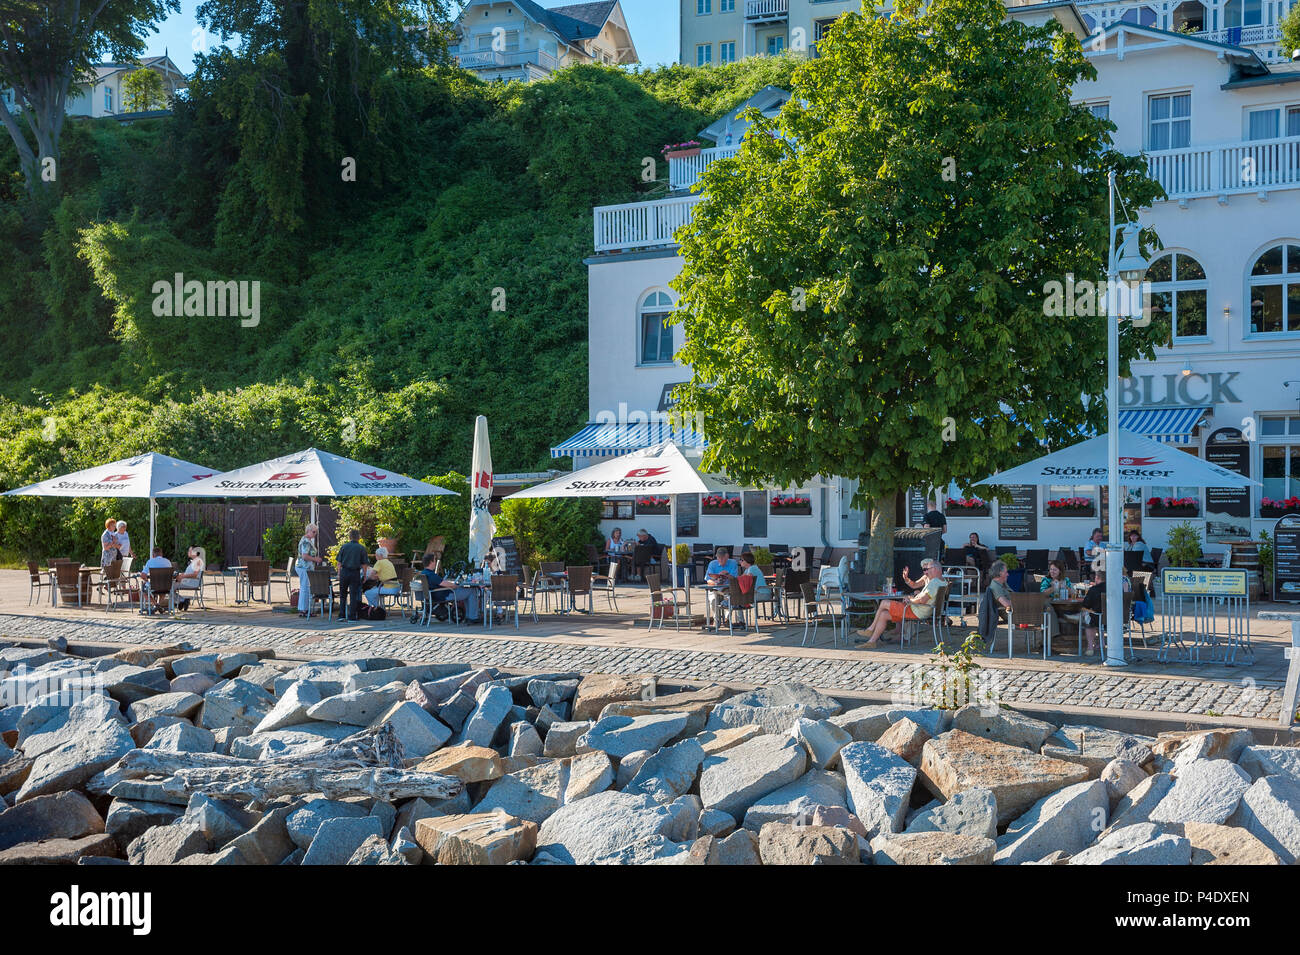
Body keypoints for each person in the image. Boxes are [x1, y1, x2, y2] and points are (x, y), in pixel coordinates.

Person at [855, 558, 945, 648]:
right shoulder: (942, 581)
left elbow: (922, 600)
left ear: (935, 569)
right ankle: (872, 642)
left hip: (916, 610)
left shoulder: (934, 582)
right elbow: (921, 594)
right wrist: (913, 593)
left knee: (884, 602)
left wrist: (910, 600)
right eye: (924, 569)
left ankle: (870, 629)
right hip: (922, 609)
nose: (925, 572)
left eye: (927, 569)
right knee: (883, 614)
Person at [419, 555, 481, 622]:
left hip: (436, 595)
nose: (435, 562)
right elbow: (444, 583)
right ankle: (472, 617)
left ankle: (468, 616)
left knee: (466, 591)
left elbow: (441, 583)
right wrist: (455, 585)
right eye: (434, 560)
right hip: (445, 595)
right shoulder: (431, 574)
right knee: (472, 590)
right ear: (431, 562)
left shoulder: (424, 573)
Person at [336, 529, 369, 620]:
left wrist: (339, 574)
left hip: (344, 572)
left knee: (343, 594)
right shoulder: (361, 548)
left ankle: (341, 615)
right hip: (355, 573)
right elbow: (364, 564)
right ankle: (352, 616)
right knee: (353, 595)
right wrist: (365, 575)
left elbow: (339, 563)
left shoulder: (344, 546)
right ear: (359, 537)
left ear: (349, 537)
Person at [703, 546, 739, 629]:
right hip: (715, 589)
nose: (720, 560)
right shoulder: (713, 564)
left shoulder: (733, 563)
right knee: (713, 600)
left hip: (727, 588)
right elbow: (708, 580)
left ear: (727, 556)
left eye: (722, 558)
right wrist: (715, 582)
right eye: (719, 558)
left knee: (729, 598)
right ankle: (717, 620)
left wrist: (727, 574)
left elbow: (735, 579)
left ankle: (727, 618)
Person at [1039, 559, 1074, 642]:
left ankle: (1071, 636)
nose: (1052, 571)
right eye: (1051, 569)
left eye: (1055, 569)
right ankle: (1055, 636)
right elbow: (1042, 594)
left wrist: (1064, 586)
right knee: (1049, 610)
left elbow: (1072, 592)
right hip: (1049, 603)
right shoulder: (1046, 580)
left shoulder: (1066, 580)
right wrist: (1054, 587)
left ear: (1060, 571)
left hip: (1063, 603)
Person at [296, 523, 324, 618]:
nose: (315, 533)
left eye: (316, 532)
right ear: (308, 530)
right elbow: (304, 556)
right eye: (313, 531)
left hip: (306, 567)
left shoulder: (308, 540)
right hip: (303, 567)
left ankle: (305, 610)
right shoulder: (306, 541)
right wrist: (315, 559)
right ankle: (303, 610)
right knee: (305, 588)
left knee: (306, 588)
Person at [138, 547, 173, 611]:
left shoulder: (150, 561)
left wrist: (146, 581)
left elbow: (142, 575)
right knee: (163, 591)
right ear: (161, 554)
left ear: (153, 555)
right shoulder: (167, 561)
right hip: (166, 587)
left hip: (154, 586)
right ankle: (158, 605)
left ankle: (155, 604)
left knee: (143, 589)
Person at [172, 546, 204, 611]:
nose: (188, 552)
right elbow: (187, 573)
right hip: (188, 581)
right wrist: (180, 575)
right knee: (170, 586)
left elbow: (195, 575)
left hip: (192, 583)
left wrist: (183, 576)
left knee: (168, 587)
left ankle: (181, 601)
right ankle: (180, 601)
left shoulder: (198, 562)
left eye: (190, 551)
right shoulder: (193, 561)